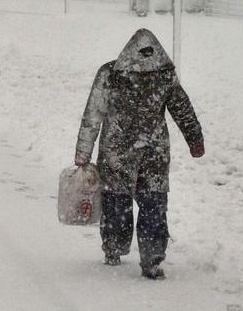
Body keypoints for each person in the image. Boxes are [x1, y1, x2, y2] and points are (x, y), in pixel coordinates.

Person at [74, 28, 205, 280]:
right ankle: (152, 258)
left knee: (116, 202)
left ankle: (114, 247)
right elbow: (182, 108)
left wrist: (83, 151)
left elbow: (93, 114)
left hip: (116, 151)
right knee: (153, 204)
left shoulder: (110, 74)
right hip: (153, 152)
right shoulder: (165, 76)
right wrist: (195, 138)